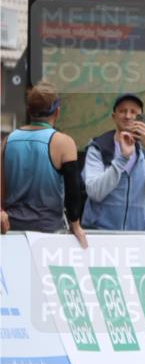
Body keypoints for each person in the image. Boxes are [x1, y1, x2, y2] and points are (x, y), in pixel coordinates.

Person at [0, 80, 87, 247]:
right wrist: (76, 226)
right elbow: (73, 191)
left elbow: (1, 189)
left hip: (13, 232)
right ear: (57, 112)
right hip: (50, 233)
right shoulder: (63, 142)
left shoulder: (8, 141)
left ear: (29, 110)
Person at [81, 93, 145, 231]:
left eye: (134, 112)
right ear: (114, 116)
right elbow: (95, 192)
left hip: (134, 237)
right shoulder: (98, 148)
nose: (128, 116)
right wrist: (122, 158)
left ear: (142, 118)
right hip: (99, 235)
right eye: (123, 111)